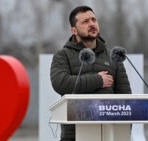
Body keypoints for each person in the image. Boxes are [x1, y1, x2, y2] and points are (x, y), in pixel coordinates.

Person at [50, 5, 132, 141]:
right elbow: (61, 83)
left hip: (109, 134)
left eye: (94, 20)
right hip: (74, 135)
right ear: (74, 30)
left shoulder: (113, 56)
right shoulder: (62, 55)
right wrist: (98, 80)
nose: (92, 24)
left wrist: (123, 134)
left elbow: (126, 101)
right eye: (85, 21)